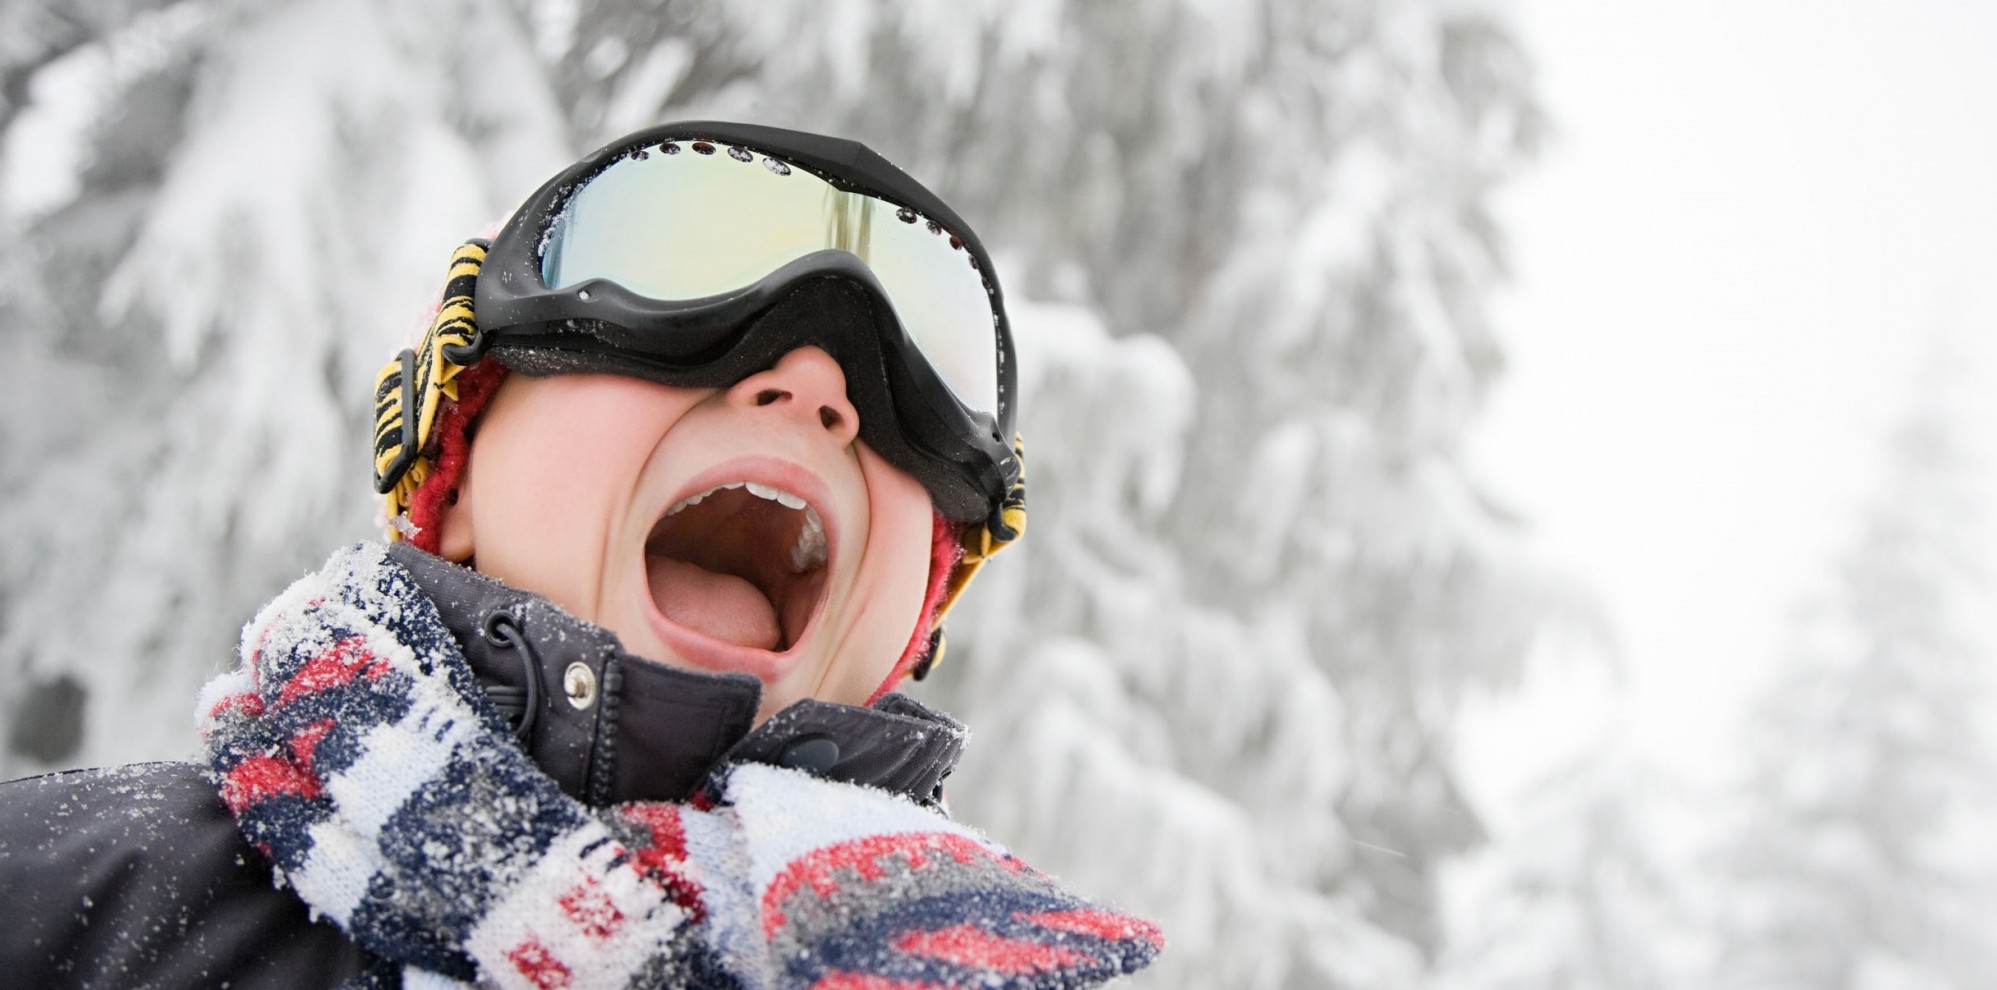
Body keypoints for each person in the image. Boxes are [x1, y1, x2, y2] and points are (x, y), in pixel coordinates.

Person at [0, 121, 1161, 989]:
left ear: (918, 607)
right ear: (448, 476)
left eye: (914, 362)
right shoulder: (64, 897)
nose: (815, 386)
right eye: (671, 265)